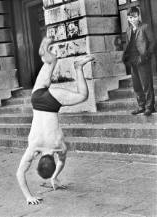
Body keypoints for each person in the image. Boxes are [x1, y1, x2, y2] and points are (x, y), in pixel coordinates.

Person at [16, 36, 94, 205]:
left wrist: (53, 178)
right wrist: (30, 194)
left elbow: (61, 162)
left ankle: (78, 67)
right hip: (36, 99)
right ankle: (46, 53)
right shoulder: (33, 148)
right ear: (39, 162)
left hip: (52, 102)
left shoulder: (60, 146)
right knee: (51, 63)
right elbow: (19, 174)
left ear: (52, 160)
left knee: (83, 95)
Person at [122, 6, 156, 116]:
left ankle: (149, 107)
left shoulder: (145, 27)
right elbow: (128, 45)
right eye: (130, 17)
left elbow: (152, 43)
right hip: (132, 61)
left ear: (138, 16)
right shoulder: (128, 30)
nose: (133, 19)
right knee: (136, 86)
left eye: (135, 17)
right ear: (128, 18)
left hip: (142, 60)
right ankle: (141, 105)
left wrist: (145, 56)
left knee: (146, 84)